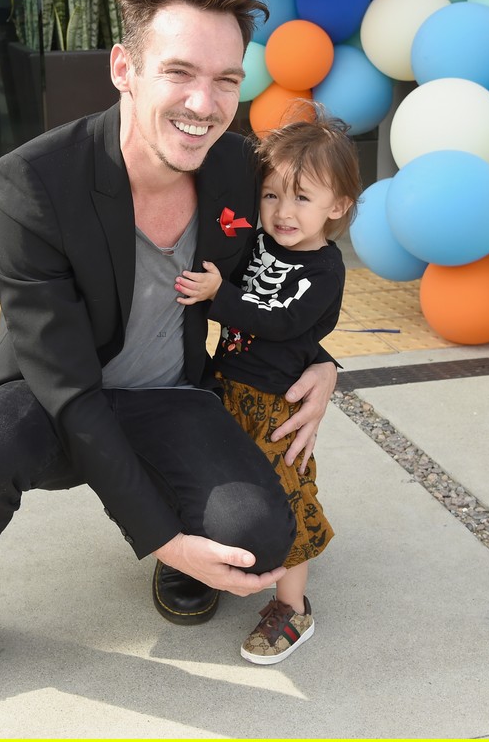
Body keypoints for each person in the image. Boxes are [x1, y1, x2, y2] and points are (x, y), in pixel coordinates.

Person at [0, 0, 337, 730]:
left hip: (172, 397)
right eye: (179, 72)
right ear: (124, 68)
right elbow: (73, 394)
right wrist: (163, 539)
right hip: (56, 400)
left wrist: (324, 361)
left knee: (258, 539)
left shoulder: (237, 168)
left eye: (226, 79)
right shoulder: (31, 184)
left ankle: (193, 527)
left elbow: (296, 257)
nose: (204, 103)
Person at [175, 105, 360, 664]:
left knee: (285, 499)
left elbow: (281, 321)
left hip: (276, 407)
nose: (283, 211)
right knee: (217, 483)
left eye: (302, 198)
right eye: (272, 195)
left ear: (337, 206)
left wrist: (220, 296)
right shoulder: (258, 243)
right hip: (225, 390)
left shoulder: (324, 270)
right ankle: (213, 560)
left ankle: (292, 608)